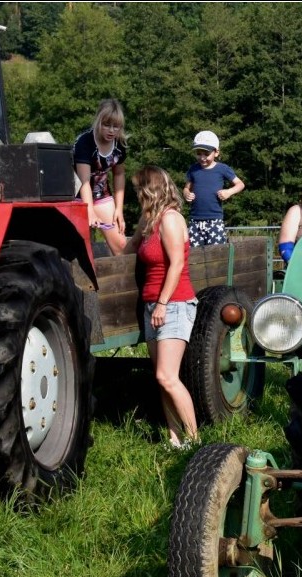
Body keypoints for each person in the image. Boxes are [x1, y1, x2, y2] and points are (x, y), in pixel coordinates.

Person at [118, 166, 199, 449]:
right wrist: (104, 228)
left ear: (149, 190)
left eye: (139, 190)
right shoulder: (148, 220)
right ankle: (175, 439)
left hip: (174, 304)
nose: (136, 195)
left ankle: (195, 440)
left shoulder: (171, 219)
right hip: (152, 305)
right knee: (161, 377)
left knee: (167, 376)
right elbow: (127, 251)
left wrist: (163, 304)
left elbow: (177, 263)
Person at [74, 98, 128, 256]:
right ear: (98, 121)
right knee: (82, 247)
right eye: (106, 125)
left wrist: (119, 209)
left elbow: (119, 174)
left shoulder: (120, 145)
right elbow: (84, 182)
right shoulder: (85, 142)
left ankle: (124, 279)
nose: (111, 130)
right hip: (78, 196)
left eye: (116, 126)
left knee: (121, 244)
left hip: (101, 194)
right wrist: (89, 210)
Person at [183, 130, 245, 247]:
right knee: (194, 257)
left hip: (214, 220)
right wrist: (186, 193)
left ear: (216, 152)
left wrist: (229, 192)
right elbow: (186, 187)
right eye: (199, 153)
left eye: (206, 154)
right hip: (195, 220)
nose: (202, 157)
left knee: (217, 254)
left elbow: (240, 184)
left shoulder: (222, 169)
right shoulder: (193, 169)